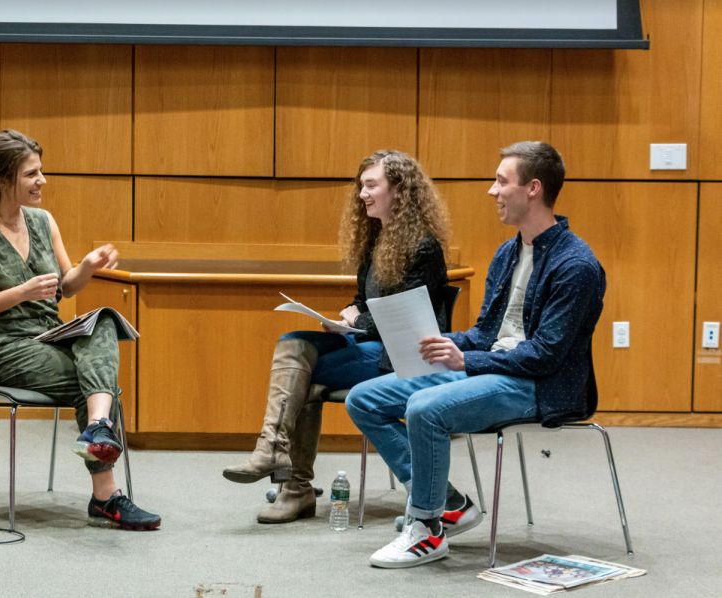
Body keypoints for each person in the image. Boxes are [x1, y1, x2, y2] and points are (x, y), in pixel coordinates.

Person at [346, 141, 606, 568]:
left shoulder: (576, 264)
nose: (492, 190)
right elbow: (487, 332)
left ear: (533, 189)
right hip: (492, 369)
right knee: (364, 399)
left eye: (502, 181)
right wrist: (447, 343)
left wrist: (466, 360)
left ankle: (427, 529)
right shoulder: (508, 253)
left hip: (538, 385)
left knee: (424, 407)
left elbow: (545, 356)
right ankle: (446, 503)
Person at [222, 149, 457, 524]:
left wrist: (357, 321)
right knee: (293, 342)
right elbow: (365, 300)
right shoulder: (377, 238)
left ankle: (291, 482)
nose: (362, 194)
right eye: (361, 186)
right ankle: (276, 458)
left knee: (305, 377)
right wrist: (349, 313)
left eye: (371, 185)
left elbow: (402, 318)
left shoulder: (423, 247)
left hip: (398, 354)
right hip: (371, 340)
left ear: (398, 190)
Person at [0, 128, 161, 531]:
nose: (42, 181)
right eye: (32, 174)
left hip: (48, 335)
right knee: (95, 384)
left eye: (41, 172)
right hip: (0, 346)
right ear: (4, 179)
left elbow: (66, 284)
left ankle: (98, 428)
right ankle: (106, 496)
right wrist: (20, 292)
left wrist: (89, 267)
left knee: (106, 321)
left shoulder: (43, 221)